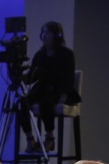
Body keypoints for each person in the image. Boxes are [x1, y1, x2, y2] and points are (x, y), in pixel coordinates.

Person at [23, 21, 79, 153]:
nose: (44, 35)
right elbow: (32, 77)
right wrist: (19, 75)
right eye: (43, 32)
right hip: (41, 90)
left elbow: (68, 78)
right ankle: (30, 139)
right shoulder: (40, 55)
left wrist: (62, 99)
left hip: (58, 92)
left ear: (57, 35)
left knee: (46, 102)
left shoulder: (66, 54)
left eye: (48, 32)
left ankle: (49, 137)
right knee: (21, 103)